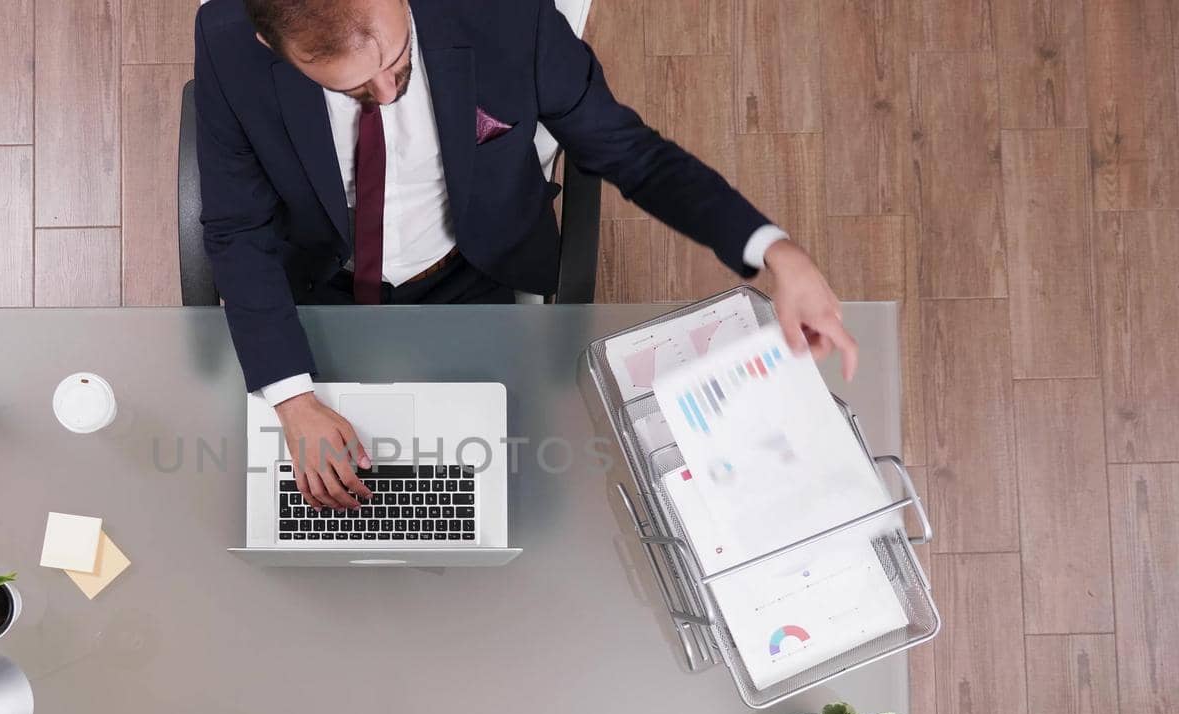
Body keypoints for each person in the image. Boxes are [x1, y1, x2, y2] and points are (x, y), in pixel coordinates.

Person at [194, 0, 857, 510]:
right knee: (291, 510)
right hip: (316, 287)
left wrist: (778, 255)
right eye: (358, 93)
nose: (389, 97)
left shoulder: (506, 15)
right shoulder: (228, 40)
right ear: (269, 43)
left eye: (398, 67)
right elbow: (237, 230)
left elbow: (631, 154)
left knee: (513, 499)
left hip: (469, 274)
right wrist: (292, 398)